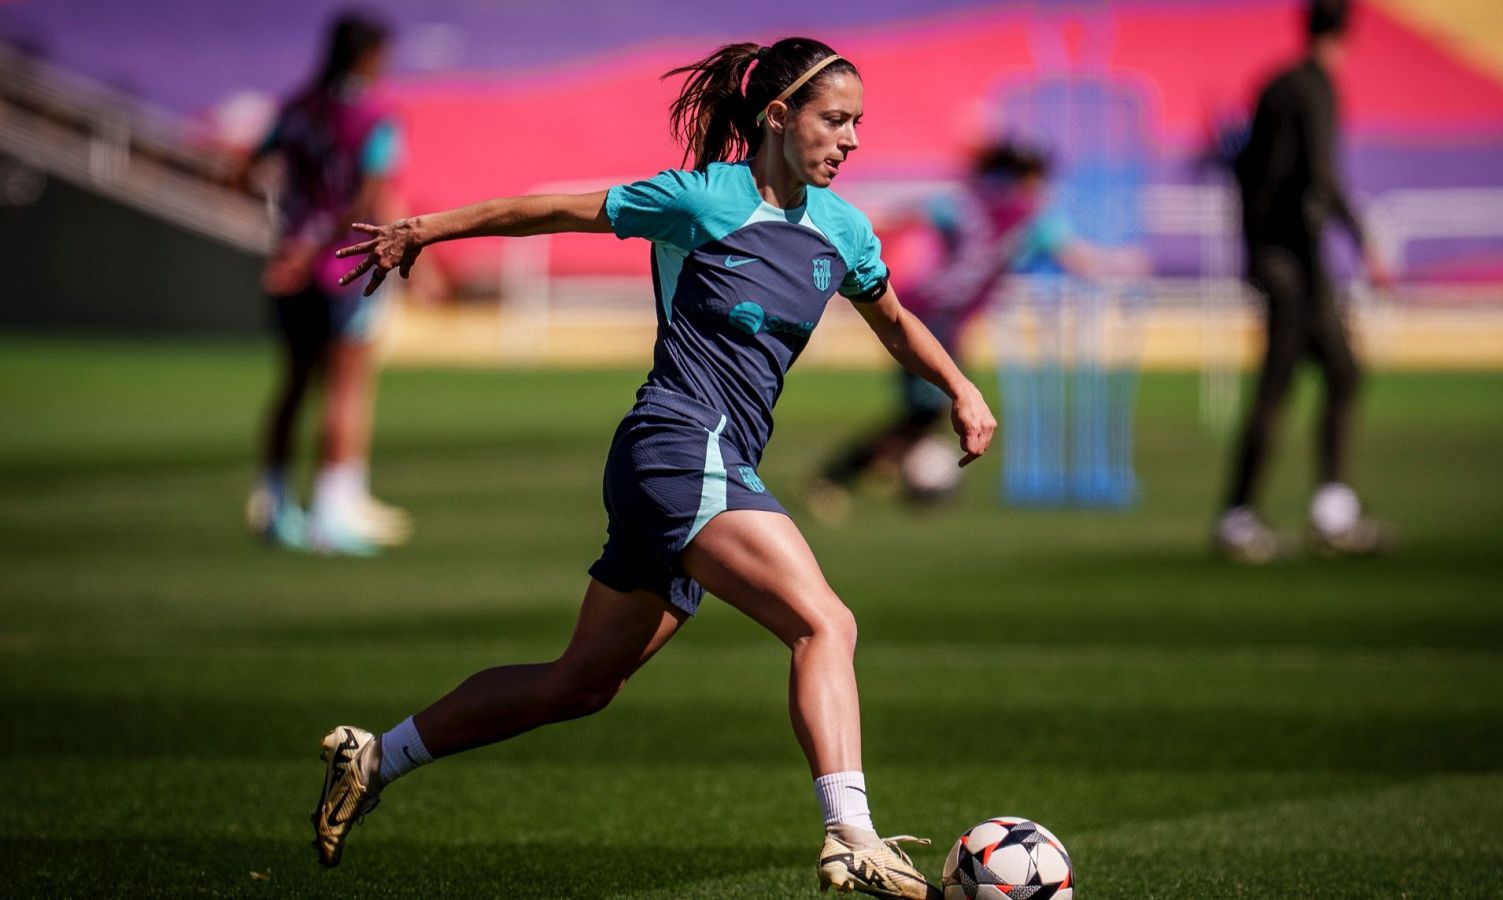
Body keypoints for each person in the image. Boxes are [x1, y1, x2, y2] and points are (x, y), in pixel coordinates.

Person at [313, 37, 995, 898]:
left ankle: (376, 757)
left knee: (580, 683)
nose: (852, 139)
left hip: (697, 463)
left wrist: (961, 388)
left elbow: (894, 320)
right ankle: (850, 832)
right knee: (825, 624)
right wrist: (425, 229)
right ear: (778, 118)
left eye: (859, 122)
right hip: (678, 446)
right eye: (836, 120)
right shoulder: (707, 199)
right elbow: (557, 211)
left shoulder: (843, 228)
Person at [810, 143, 1136, 514]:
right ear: (1030, 179)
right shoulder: (1033, 219)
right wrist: (1121, 268)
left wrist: (855, 229)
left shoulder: (966, 204)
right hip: (935, 320)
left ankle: (881, 465)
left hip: (925, 309)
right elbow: (1076, 258)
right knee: (925, 412)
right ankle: (839, 475)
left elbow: (905, 217)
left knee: (926, 411)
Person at [1214, 0, 1394, 563]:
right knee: (1282, 384)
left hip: (1281, 256)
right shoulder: (1316, 87)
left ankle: (1329, 511)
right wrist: (1364, 239)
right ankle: (1238, 519)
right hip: (1292, 260)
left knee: (1340, 370)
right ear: (1346, 35)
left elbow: (1245, 168)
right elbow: (1320, 172)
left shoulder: (1275, 85)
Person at [238, 9, 412, 556]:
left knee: (291, 385)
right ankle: (334, 513)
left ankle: (273, 502)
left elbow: (244, 171)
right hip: (344, 265)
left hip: (291, 265)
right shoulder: (377, 116)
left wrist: (290, 237)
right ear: (368, 56)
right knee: (346, 387)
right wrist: (321, 245)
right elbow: (368, 196)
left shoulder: (295, 108)